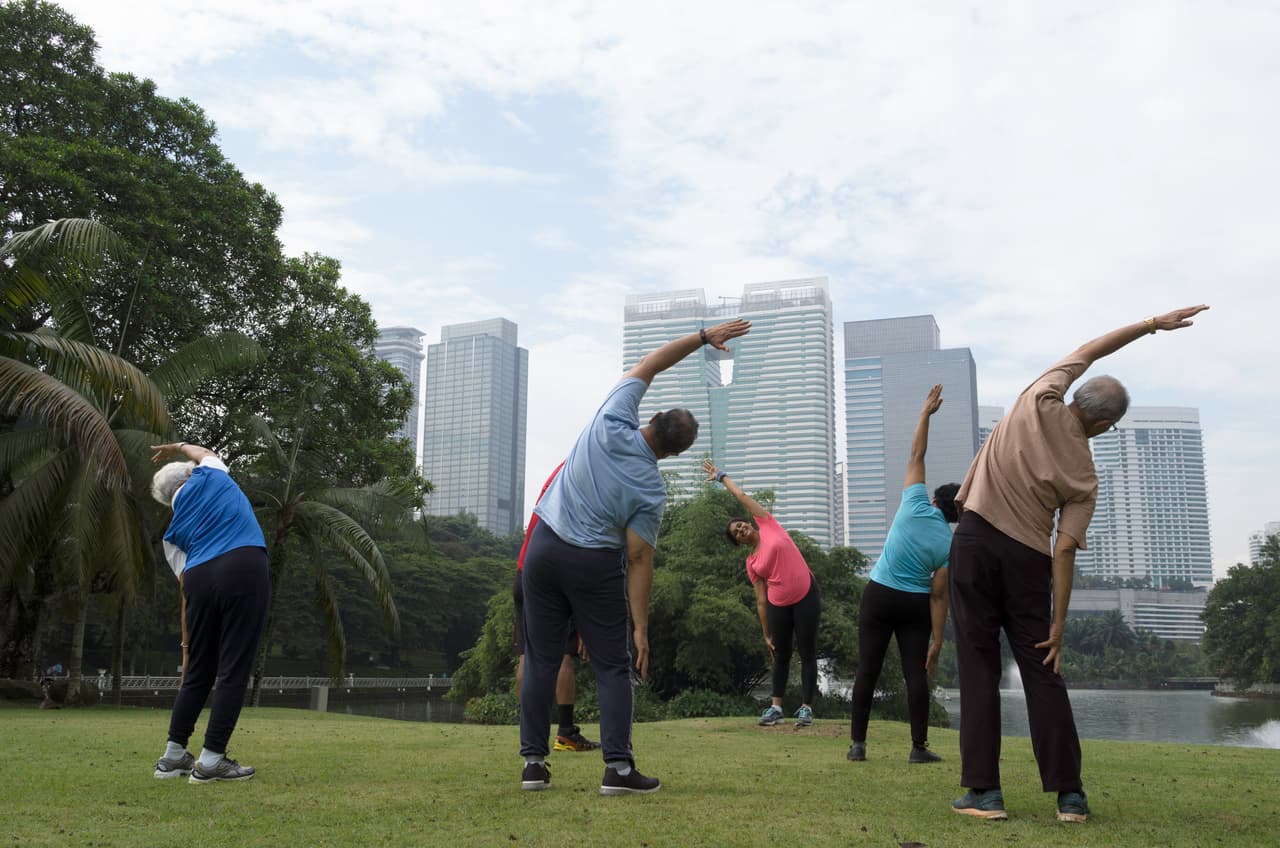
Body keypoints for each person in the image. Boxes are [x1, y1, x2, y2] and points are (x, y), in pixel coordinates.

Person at [948, 305, 1209, 823]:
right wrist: (1058, 626)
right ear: (1106, 423)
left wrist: (1151, 324)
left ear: (1076, 395)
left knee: (978, 668)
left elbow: (1094, 349)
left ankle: (984, 793)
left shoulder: (1039, 395)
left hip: (976, 541)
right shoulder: (1085, 476)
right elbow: (1063, 550)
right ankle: (1070, 796)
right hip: (1029, 560)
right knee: (1043, 672)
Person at [519, 318, 751, 796]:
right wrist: (640, 627)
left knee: (541, 660)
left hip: (543, 547)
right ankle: (618, 770)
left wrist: (704, 338)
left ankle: (534, 766)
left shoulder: (610, 416)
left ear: (651, 417)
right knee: (612, 666)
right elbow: (639, 559)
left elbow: (652, 362)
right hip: (593, 564)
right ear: (673, 454)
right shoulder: (650, 487)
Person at [847, 385, 958, 764]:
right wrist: (938, 641)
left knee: (868, 669)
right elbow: (939, 595)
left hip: (879, 594)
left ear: (933, 500)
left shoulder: (913, 502)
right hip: (914, 605)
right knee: (915, 675)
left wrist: (925, 413)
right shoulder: (947, 544)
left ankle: (858, 746)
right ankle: (918, 748)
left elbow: (916, 453)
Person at [148, 441, 271, 784]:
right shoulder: (210, 475)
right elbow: (203, 454)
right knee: (233, 668)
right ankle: (212, 759)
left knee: (199, 673)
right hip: (243, 564)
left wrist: (188, 646)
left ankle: (173, 758)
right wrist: (179, 446)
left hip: (200, 580)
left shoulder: (170, 536)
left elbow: (186, 589)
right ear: (189, 474)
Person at [704, 457, 821, 730]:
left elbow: (741, 495)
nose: (742, 529)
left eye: (741, 525)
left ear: (748, 523)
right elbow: (760, 599)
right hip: (778, 605)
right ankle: (776, 707)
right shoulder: (752, 564)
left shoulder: (768, 524)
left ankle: (806, 708)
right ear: (738, 542)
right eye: (737, 533)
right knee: (780, 655)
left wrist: (721, 476)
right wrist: (766, 633)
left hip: (806, 595)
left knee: (807, 652)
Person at [514, 462, 598, 753]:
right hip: (554, 575)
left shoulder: (557, 478)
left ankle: (528, 728)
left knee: (527, 653)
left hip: (525, 569)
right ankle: (565, 731)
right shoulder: (587, 485)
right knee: (564, 655)